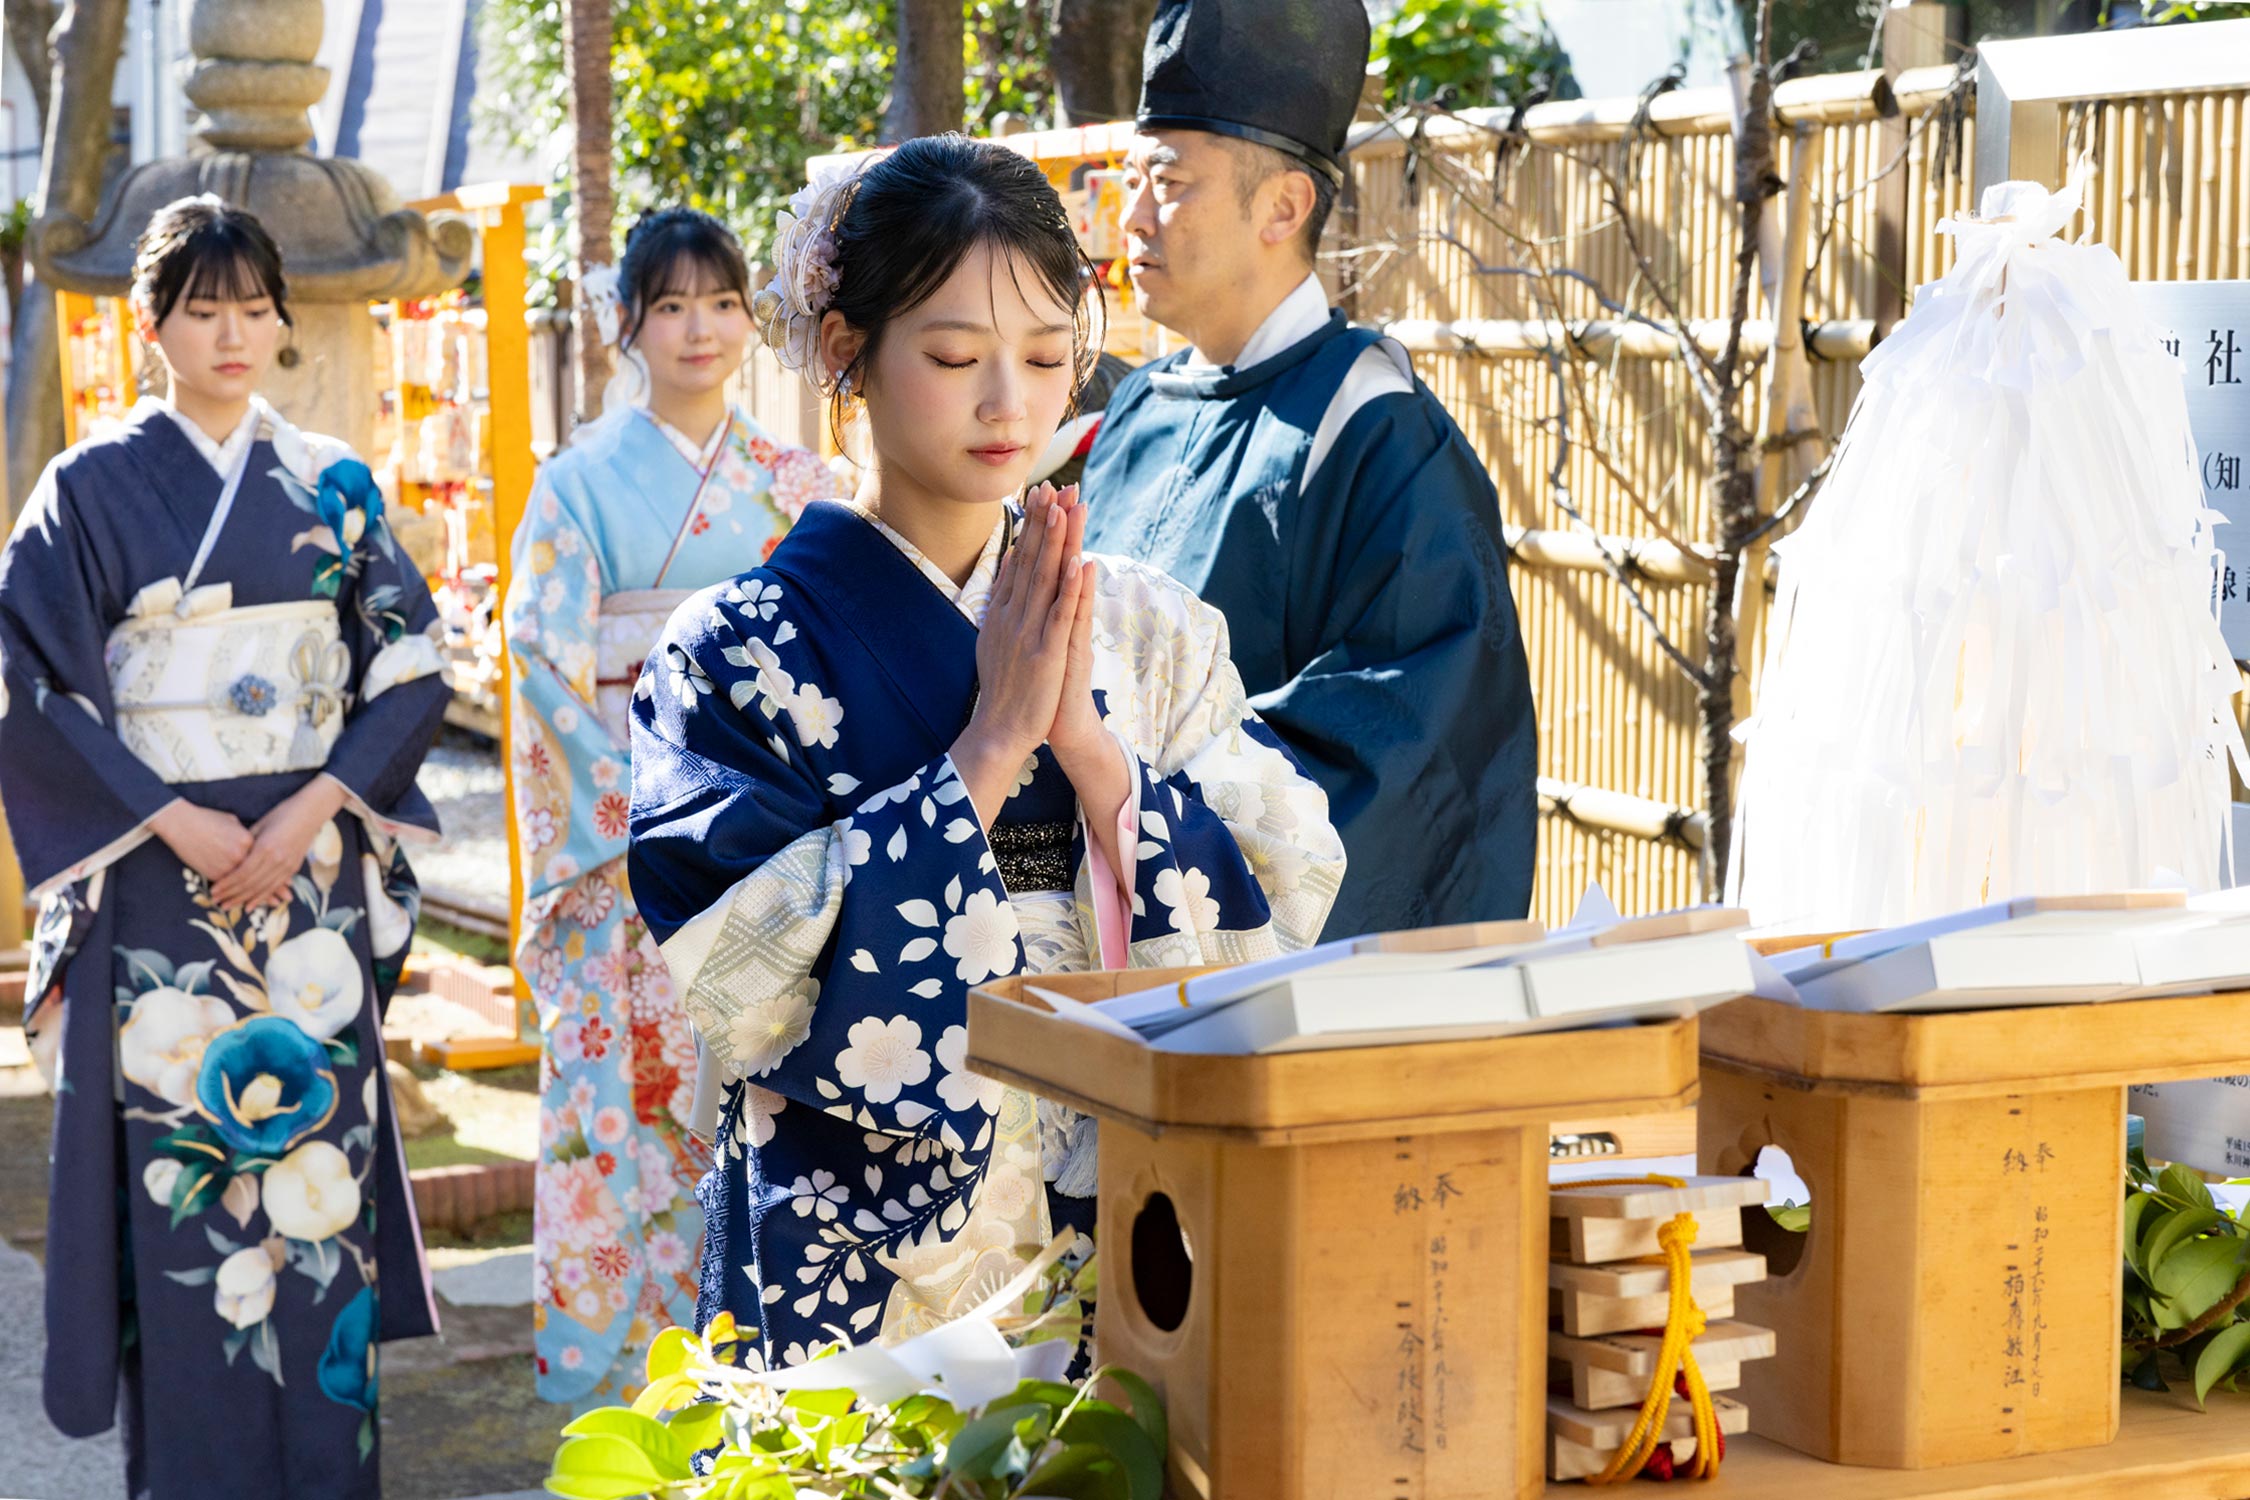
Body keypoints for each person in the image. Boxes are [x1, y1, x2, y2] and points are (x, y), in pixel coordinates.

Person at [627, 135, 1344, 1366]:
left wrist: (1100, 764)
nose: (1010, 403)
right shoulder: (736, 656)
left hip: (1121, 1218)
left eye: (1049, 357)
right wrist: (992, 748)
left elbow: (1287, 905)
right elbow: (734, 987)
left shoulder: (1149, 628)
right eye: (956, 357)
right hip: (855, 1252)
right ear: (849, 349)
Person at [0, 195, 449, 1498]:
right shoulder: (83, 490)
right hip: (158, 885)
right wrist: (169, 813)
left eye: (255, 307)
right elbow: (30, 681)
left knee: (315, 1199)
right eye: (205, 309)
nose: (235, 332)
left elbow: (411, 668)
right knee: (190, 1204)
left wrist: (314, 805)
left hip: (304, 880)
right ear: (152, 325)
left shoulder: (332, 482)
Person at [1078, 0, 1539, 939]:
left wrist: (1128, 811)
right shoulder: (1134, 409)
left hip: (1234, 968)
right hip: (1088, 916)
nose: (1132, 217)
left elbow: (1410, 740)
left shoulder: (1375, 431)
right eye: (1131, 177)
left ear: (1283, 206)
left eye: (1168, 182)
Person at [504, 207, 836, 1409]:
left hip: (764, 848)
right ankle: (624, 1396)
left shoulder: (798, 484)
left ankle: (754, 1383)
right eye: (673, 305)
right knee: (623, 1108)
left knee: (751, 1097)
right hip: (620, 853)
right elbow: (543, 658)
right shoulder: (579, 482)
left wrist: (777, 816)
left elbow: (827, 661)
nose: (702, 327)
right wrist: (638, 817)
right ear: (626, 326)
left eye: (724, 302)